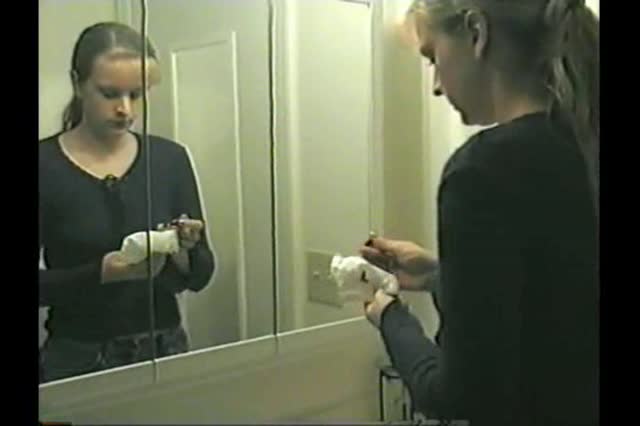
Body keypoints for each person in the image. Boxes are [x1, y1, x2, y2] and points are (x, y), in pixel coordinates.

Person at [360, 1, 598, 425]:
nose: (436, 85)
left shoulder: (484, 172)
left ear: (476, 33)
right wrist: (440, 276)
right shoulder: (581, 144)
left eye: (433, 57)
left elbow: (464, 397)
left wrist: (390, 318)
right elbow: (561, 297)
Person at [39, 22, 216, 383]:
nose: (125, 109)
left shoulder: (169, 159)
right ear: (77, 84)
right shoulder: (44, 166)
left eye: (136, 94)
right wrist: (100, 274)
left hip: (165, 348)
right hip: (77, 356)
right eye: (109, 93)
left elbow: (200, 275)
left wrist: (184, 252)